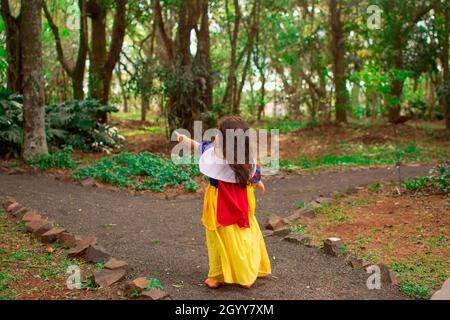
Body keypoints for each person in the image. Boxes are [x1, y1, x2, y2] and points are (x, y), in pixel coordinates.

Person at [175, 116, 271, 289]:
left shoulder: (214, 152)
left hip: (219, 203)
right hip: (241, 202)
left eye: (219, 133)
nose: (216, 135)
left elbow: (198, 147)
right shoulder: (243, 158)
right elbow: (254, 174)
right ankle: (244, 275)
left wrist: (183, 139)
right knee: (241, 237)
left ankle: (217, 276)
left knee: (217, 238)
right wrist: (258, 183)